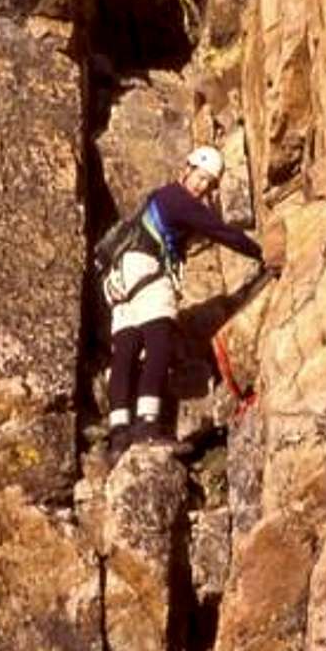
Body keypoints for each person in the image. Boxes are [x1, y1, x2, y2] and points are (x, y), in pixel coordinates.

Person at [104, 144, 276, 459]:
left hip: (119, 278)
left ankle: (118, 434)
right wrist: (262, 253)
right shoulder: (181, 200)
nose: (202, 186)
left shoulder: (160, 196)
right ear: (187, 170)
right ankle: (147, 426)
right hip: (146, 269)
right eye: (201, 177)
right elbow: (222, 232)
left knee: (127, 347)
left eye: (209, 183)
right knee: (159, 341)